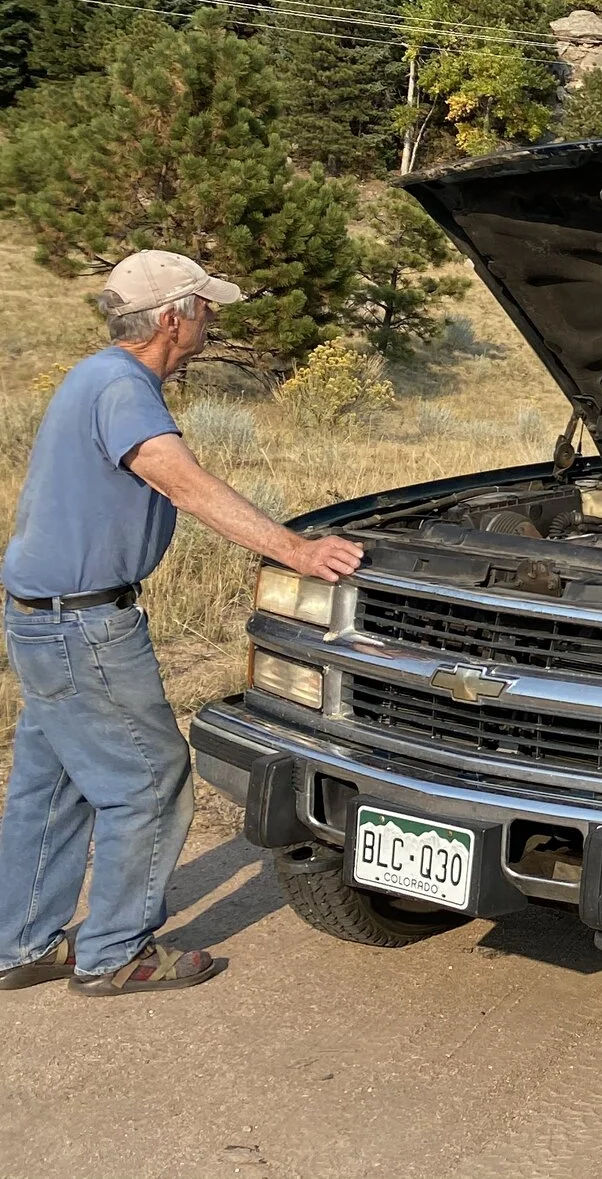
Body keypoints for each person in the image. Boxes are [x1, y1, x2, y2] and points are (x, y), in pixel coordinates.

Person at [0, 251, 362, 995]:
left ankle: (22, 941)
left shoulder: (94, 374)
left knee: (53, 780)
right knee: (151, 779)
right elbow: (186, 485)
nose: (212, 317)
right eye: (205, 305)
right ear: (173, 317)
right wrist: (297, 548)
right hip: (86, 629)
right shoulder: (124, 389)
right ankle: (114, 953)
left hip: (41, 618)